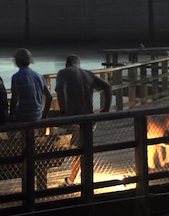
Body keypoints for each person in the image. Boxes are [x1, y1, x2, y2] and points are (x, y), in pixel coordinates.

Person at [55, 55, 113, 184]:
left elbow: (59, 89)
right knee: (80, 149)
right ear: (79, 65)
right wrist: (105, 110)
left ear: (66, 64)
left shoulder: (63, 73)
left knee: (78, 149)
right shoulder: (87, 74)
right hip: (89, 119)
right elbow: (107, 87)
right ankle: (73, 179)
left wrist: (63, 111)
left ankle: (80, 180)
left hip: (74, 118)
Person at [9, 48, 51, 123]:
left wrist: (11, 117)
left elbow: (14, 99)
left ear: (17, 61)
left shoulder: (16, 77)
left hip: (23, 116)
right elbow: (49, 96)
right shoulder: (39, 76)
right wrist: (44, 115)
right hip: (38, 115)